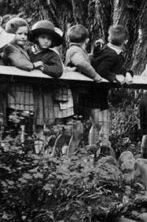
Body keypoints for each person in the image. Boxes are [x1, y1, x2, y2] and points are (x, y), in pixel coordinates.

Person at [61, 23, 108, 154]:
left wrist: (94, 52)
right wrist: (96, 77)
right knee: (77, 132)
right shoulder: (74, 51)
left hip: (82, 95)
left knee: (81, 130)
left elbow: (84, 59)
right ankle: (68, 159)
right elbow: (81, 63)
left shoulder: (75, 50)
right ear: (86, 40)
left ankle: (73, 158)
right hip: (77, 95)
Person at [86, 24, 131, 157]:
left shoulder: (108, 51)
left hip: (101, 92)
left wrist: (128, 72)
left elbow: (117, 67)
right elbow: (102, 71)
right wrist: (115, 77)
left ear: (108, 37)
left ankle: (104, 148)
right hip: (94, 91)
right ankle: (93, 153)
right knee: (97, 123)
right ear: (126, 41)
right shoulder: (111, 55)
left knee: (105, 121)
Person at [26, 19, 68, 151]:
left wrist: (42, 67)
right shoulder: (27, 52)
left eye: (49, 39)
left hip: (43, 94)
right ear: (36, 38)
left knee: (40, 124)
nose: (45, 41)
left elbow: (58, 70)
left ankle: (40, 153)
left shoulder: (52, 55)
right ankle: (26, 152)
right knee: (26, 124)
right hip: (27, 92)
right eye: (43, 37)